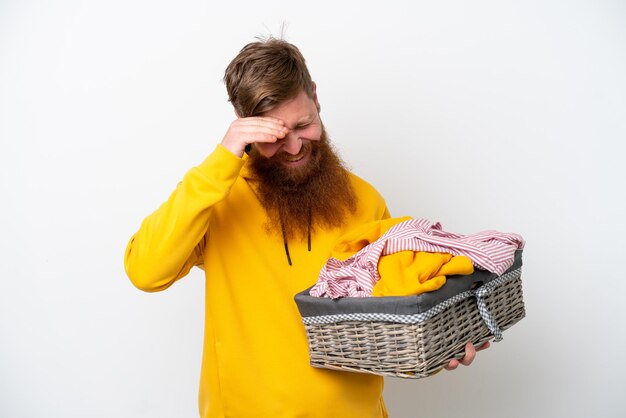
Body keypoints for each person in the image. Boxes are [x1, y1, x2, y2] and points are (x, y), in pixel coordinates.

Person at [124, 37, 488, 418]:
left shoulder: (366, 201)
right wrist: (221, 160)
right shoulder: (216, 199)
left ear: (315, 96)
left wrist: (442, 340)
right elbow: (145, 271)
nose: (296, 146)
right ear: (244, 126)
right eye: (276, 137)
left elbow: (387, 322)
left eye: (304, 124)